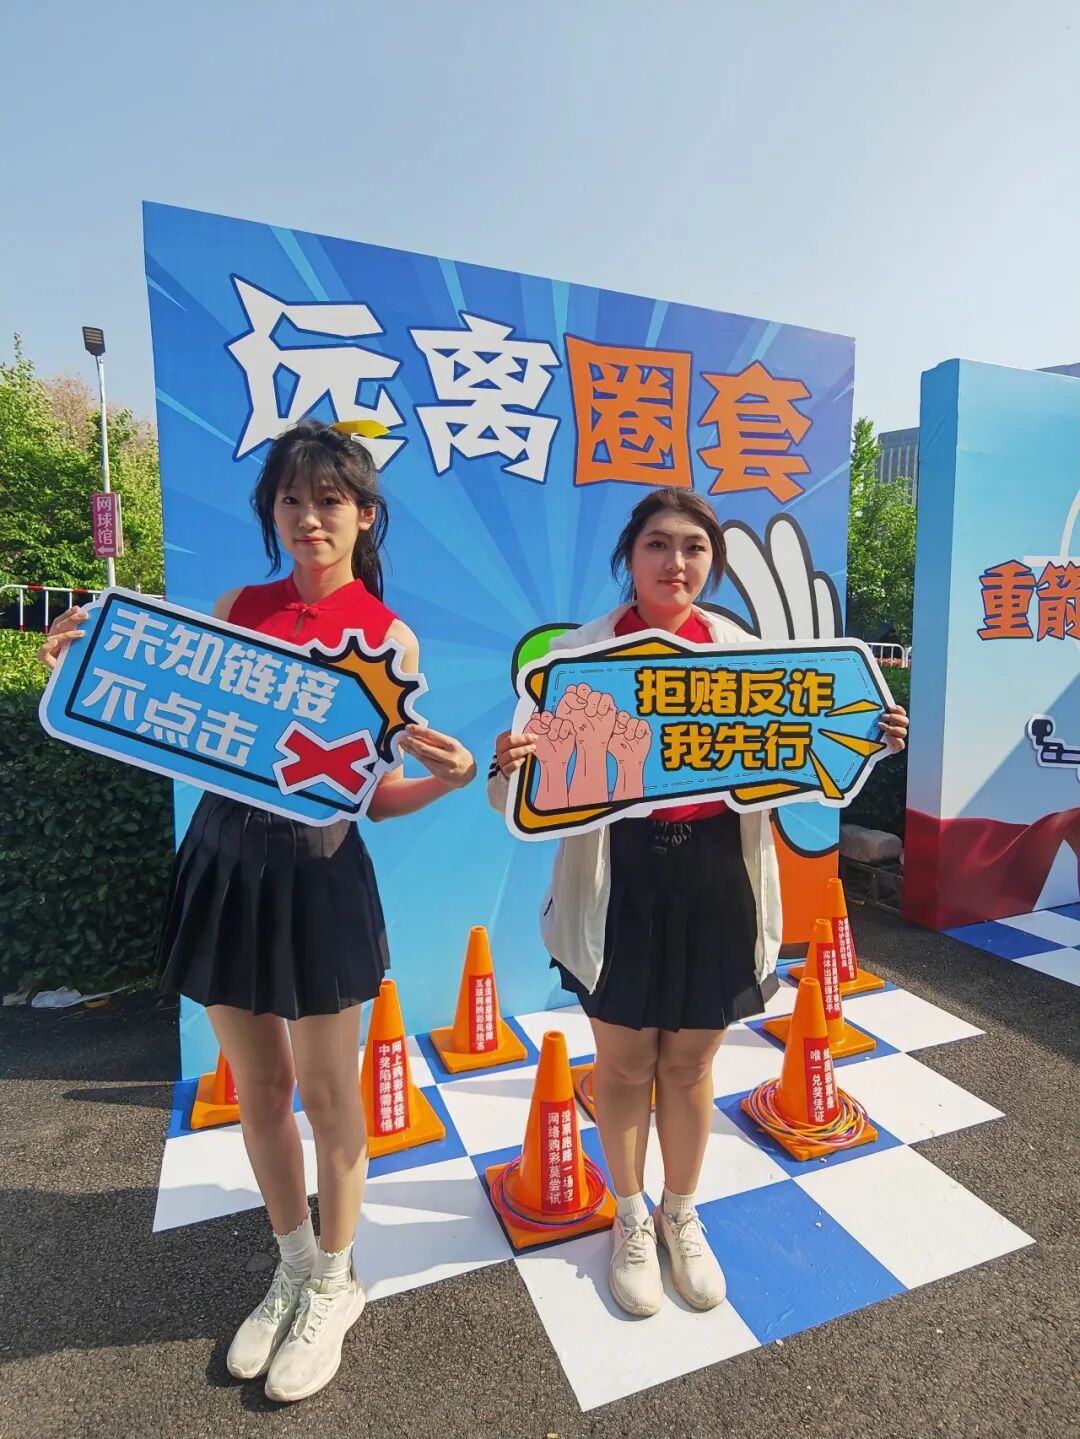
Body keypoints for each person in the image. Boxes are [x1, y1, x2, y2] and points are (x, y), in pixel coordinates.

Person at [39, 419, 476, 1402]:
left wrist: (448, 780)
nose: (308, 517)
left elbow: (371, 797)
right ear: (271, 511)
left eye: (329, 500)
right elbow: (161, 705)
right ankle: (293, 1264)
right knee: (261, 1087)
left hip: (320, 875)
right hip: (226, 862)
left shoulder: (388, 638)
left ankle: (336, 1280)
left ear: (365, 515)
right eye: (291, 498)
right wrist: (85, 661)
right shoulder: (238, 608)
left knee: (328, 1092)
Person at [490, 488, 907, 1318]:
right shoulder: (576, 659)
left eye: (693, 547)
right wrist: (512, 763)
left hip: (721, 873)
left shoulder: (746, 657)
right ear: (629, 556)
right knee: (623, 1064)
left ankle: (680, 1211)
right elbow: (517, 800)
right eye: (657, 544)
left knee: (688, 1064)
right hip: (616, 880)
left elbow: (808, 747)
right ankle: (630, 1213)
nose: (675, 562)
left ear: (710, 563)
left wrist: (869, 734)